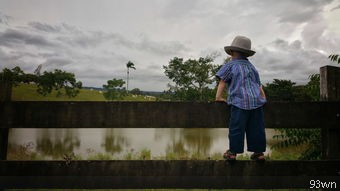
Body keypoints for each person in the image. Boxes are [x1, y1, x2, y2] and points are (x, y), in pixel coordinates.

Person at [215, 35, 267, 161]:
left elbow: (222, 82)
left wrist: (218, 97)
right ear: (246, 54)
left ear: (232, 52)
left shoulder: (230, 65)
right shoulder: (252, 67)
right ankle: (258, 153)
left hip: (239, 102)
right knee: (257, 128)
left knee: (237, 127)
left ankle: (233, 152)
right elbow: (258, 85)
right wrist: (263, 98)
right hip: (256, 102)